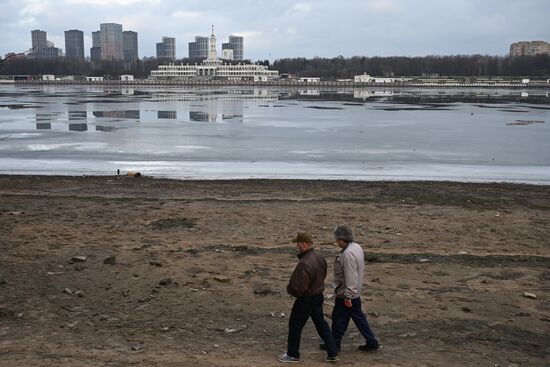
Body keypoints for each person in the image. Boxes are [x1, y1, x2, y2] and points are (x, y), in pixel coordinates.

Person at [278, 232, 340, 363]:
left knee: (295, 325)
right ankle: (333, 352)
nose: (297, 246)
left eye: (298, 243)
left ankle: (293, 354)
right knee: (321, 324)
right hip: (318, 296)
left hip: (306, 299)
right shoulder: (319, 257)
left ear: (304, 244)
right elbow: (322, 274)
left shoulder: (304, 263)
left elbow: (299, 287)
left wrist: (291, 290)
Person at [324, 225, 380, 352]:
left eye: (337, 239)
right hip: (353, 292)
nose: (336, 241)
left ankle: (334, 344)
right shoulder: (356, 247)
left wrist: (348, 295)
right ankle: (371, 341)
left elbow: (350, 276)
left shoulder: (348, 254)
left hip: (346, 293)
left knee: (339, 318)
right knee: (357, 318)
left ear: (343, 239)